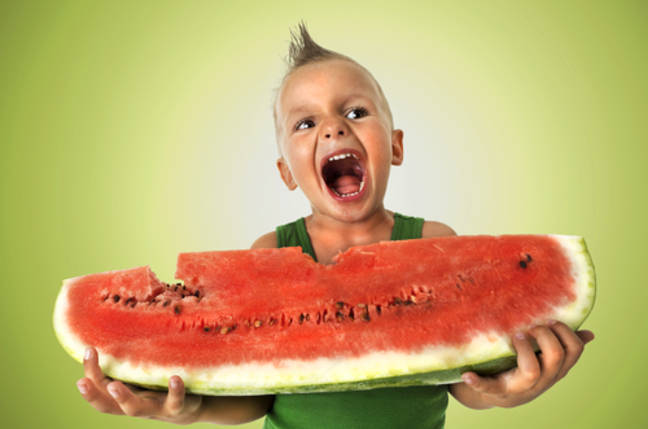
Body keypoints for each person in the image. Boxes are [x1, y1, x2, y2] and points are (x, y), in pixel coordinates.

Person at [76, 22, 595, 428]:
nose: (333, 126)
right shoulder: (271, 252)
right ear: (285, 172)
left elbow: (461, 379)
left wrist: (505, 392)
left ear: (395, 147)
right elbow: (253, 394)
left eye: (355, 110)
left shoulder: (435, 243)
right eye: (306, 123)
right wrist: (187, 410)